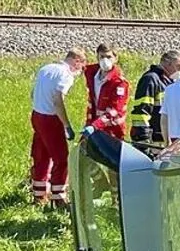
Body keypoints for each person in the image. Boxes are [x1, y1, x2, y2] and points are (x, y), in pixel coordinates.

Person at [30, 48, 86, 208]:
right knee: (61, 158)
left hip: (37, 114)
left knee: (41, 155)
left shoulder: (46, 68)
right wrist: (66, 125)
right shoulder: (65, 75)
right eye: (81, 67)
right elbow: (57, 99)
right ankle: (58, 197)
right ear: (77, 62)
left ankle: (39, 194)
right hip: (50, 118)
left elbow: (33, 93)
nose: (80, 71)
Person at [130, 49, 180, 147]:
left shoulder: (169, 82)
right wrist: (143, 138)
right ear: (168, 63)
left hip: (164, 139)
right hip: (151, 140)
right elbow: (141, 111)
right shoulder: (151, 79)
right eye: (178, 66)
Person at [82, 44, 130, 140]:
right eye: (102, 57)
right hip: (93, 124)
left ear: (115, 58)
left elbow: (115, 110)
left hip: (113, 130)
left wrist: (95, 126)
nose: (105, 60)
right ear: (98, 57)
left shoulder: (119, 82)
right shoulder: (92, 74)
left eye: (109, 57)